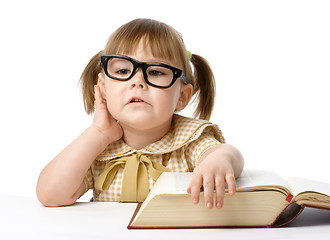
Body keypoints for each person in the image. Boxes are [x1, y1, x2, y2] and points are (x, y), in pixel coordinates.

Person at [36, 18, 244, 209]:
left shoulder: (188, 140)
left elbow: (225, 153)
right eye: (123, 71)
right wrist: (98, 132)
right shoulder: (99, 149)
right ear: (103, 88)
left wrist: (219, 161)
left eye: (155, 72)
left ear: (182, 95)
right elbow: (50, 195)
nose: (137, 82)